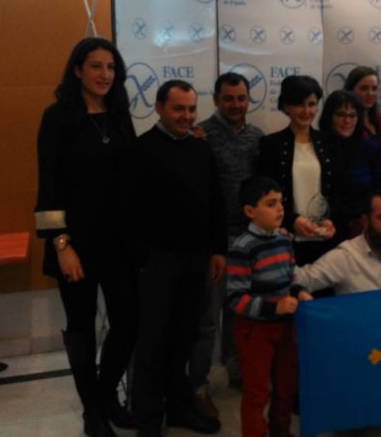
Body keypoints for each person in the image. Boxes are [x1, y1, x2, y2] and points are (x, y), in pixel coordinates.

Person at [35, 37, 138, 437]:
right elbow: (48, 185)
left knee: (128, 321)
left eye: (111, 67)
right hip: (74, 245)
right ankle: (92, 412)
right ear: (77, 70)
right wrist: (61, 245)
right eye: (96, 66)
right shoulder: (57, 117)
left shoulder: (119, 114)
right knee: (81, 327)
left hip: (119, 244)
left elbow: (134, 172)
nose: (104, 75)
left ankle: (105, 395)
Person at [129, 80, 225, 437]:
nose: (186, 116)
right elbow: (129, 212)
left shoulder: (200, 148)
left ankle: (179, 408)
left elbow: (215, 201)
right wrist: (142, 259)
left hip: (196, 259)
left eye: (191, 109)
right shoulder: (141, 150)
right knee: (153, 342)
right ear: (159, 108)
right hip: (157, 263)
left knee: (184, 338)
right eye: (178, 109)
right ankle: (148, 420)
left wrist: (218, 249)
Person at [189, 72, 263, 415]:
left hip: (249, 240)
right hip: (214, 243)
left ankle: (237, 371)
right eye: (229, 99)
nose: (236, 105)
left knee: (239, 313)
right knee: (207, 319)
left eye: (241, 98)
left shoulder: (257, 137)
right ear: (216, 100)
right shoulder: (199, 135)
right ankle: (198, 384)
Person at [226, 176, 312, 437]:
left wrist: (301, 292)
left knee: (286, 388)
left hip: (285, 328)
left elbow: (291, 278)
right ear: (250, 211)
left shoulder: (284, 240)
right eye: (271, 204)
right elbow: (235, 299)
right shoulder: (243, 247)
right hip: (255, 331)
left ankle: (281, 431)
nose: (280, 209)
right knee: (257, 392)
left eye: (281, 203)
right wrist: (274, 308)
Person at [258, 75, 340, 267]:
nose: (307, 111)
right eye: (299, 104)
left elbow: (340, 189)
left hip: (325, 239)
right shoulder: (271, 144)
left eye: (312, 104)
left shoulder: (330, 142)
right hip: (286, 239)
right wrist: (292, 221)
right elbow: (264, 195)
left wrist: (332, 220)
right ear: (286, 107)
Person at [318, 89, 381, 239]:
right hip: (322, 229)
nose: (347, 121)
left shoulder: (371, 149)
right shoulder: (317, 146)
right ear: (329, 116)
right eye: (341, 115)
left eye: (352, 115)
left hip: (362, 229)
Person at [344, 66, 381, 141]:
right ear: (351, 90)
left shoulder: (377, 119)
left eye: (374, 88)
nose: (370, 94)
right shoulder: (346, 121)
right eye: (364, 88)